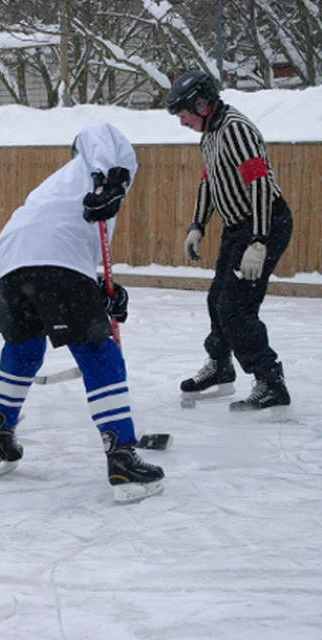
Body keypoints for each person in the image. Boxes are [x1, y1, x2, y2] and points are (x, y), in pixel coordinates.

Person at [0, 122, 164, 503]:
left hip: (7, 266)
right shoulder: (107, 166)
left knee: (22, 350)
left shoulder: (57, 190)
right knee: (99, 352)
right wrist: (110, 180)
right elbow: (95, 130)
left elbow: (67, 256)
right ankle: (122, 457)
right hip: (52, 262)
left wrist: (101, 293)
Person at [166, 70, 293, 415]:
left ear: (201, 103)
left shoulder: (235, 129)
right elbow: (209, 184)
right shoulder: (209, 135)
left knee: (235, 307)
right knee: (216, 298)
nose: (182, 122)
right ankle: (220, 365)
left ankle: (270, 381)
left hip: (264, 222)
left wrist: (259, 240)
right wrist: (197, 225)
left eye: (184, 114)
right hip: (237, 227)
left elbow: (261, 185)